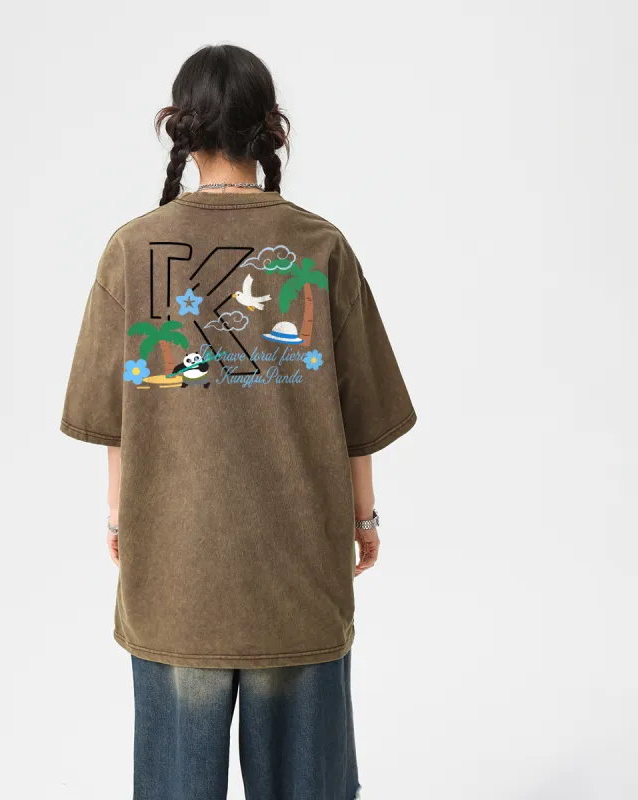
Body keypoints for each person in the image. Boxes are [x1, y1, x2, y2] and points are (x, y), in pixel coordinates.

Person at [60, 43, 416, 800]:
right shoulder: (319, 246)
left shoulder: (132, 250)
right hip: (298, 575)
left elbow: (113, 418)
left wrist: (122, 520)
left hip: (175, 574)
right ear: (271, 127)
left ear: (179, 129)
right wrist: (364, 518)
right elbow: (359, 415)